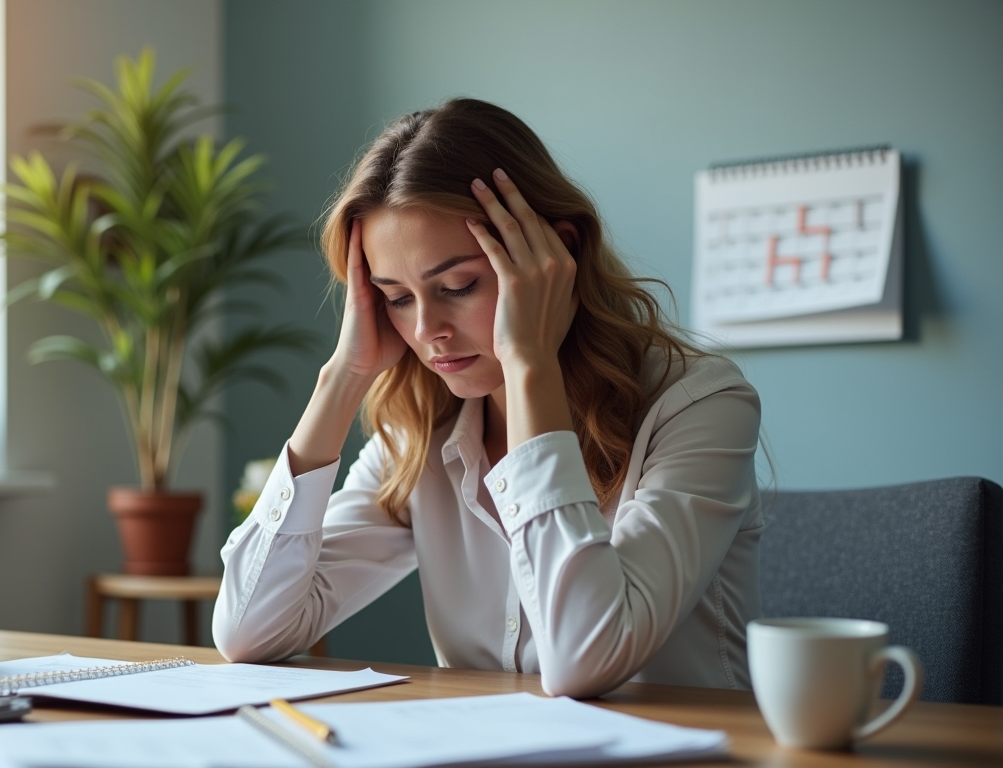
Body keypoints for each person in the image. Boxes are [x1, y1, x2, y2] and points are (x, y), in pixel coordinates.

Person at [212, 98, 762, 698]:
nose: (427, 330)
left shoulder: (699, 406)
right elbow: (247, 632)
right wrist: (343, 375)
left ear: (559, 256)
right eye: (396, 297)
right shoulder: (419, 429)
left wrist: (530, 366)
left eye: (458, 286)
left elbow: (586, 659)